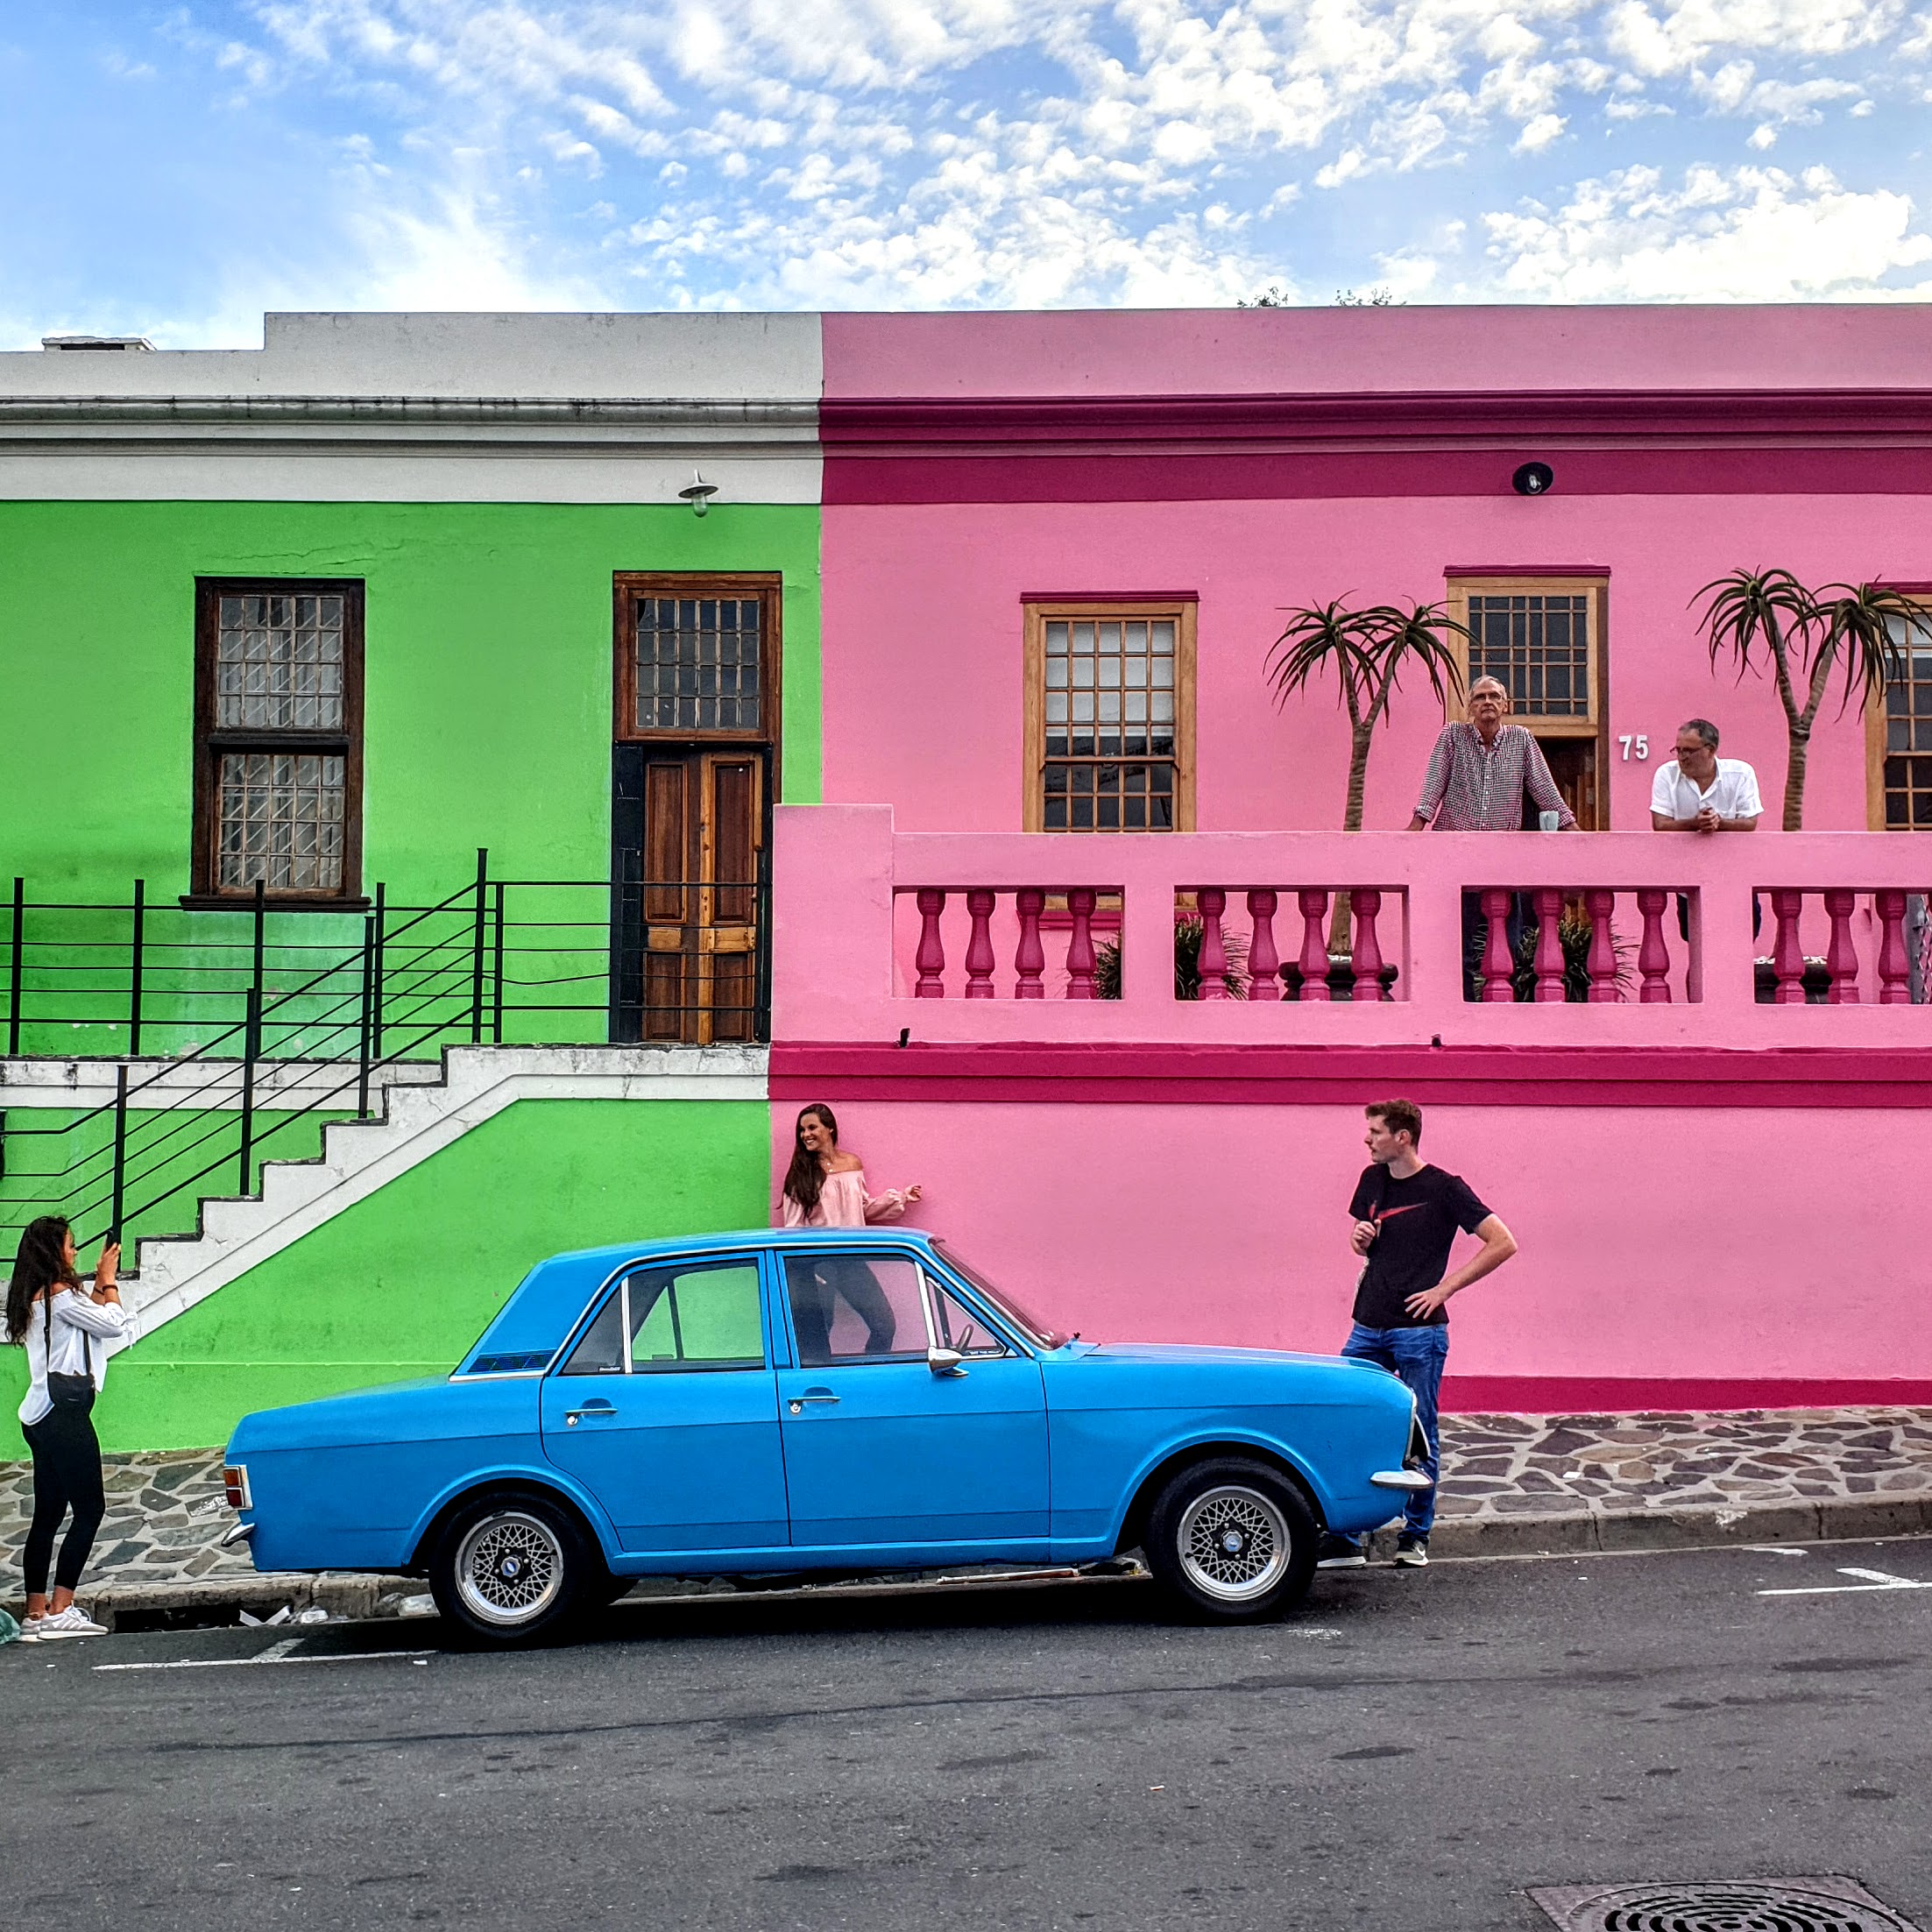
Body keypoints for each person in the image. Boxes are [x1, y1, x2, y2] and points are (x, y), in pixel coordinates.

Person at [1319, 1100, 1518, 1572]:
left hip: (1419, 1333)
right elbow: (1362, 1242)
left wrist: (1444, 1289)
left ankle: (1415, 1536)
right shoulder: (1371, 1180)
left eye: (1375, 1131)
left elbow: (1503, 1242)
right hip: (1367, 1324)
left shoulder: (1445, 1189)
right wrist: (1359, 1240)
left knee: (1419, 1430)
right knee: (1348, 1418)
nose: (1367, 1139)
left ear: (1402, 1136)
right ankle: (1346, 1539)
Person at [5, 1216, 131, 1640]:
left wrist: (97, 1282)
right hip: (64, 1415)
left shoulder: (34, 1296)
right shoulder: (60, 1295)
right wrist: (109, 1280)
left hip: (37, 1413)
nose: (75, 1253)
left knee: (48, 1514)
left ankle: (35, 1613)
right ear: (53, 1252)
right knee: (91, 1509)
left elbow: (87, 1319)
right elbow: (113, 1324)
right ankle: (62, 1608)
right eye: (70, 1246)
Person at [778, 1104, 924, 1362]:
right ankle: (820, 1388)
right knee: (817, 1339)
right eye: (801, 1130)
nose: (805, 1135)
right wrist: (804, 1268)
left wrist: (902, 1198)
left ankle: (869, 1378)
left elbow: (862, 1207)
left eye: (812, 1127)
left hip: (851, 1260)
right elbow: (793, 1228)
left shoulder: (852, 1163)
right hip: (817, 1264)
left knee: (884, 1325)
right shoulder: (800, 1175)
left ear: (830, 1128)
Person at [1650, 718, 1762, 832]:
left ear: (1711, 750)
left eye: (1689, 751)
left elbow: (1750, 822)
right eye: (1679, 750)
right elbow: (1660, 825)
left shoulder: (1741, 774)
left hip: (1730, 849)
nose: (1682, 757)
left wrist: (1719, 822)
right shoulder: (1667, 774)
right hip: (1679, 849)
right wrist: (1695, 824)